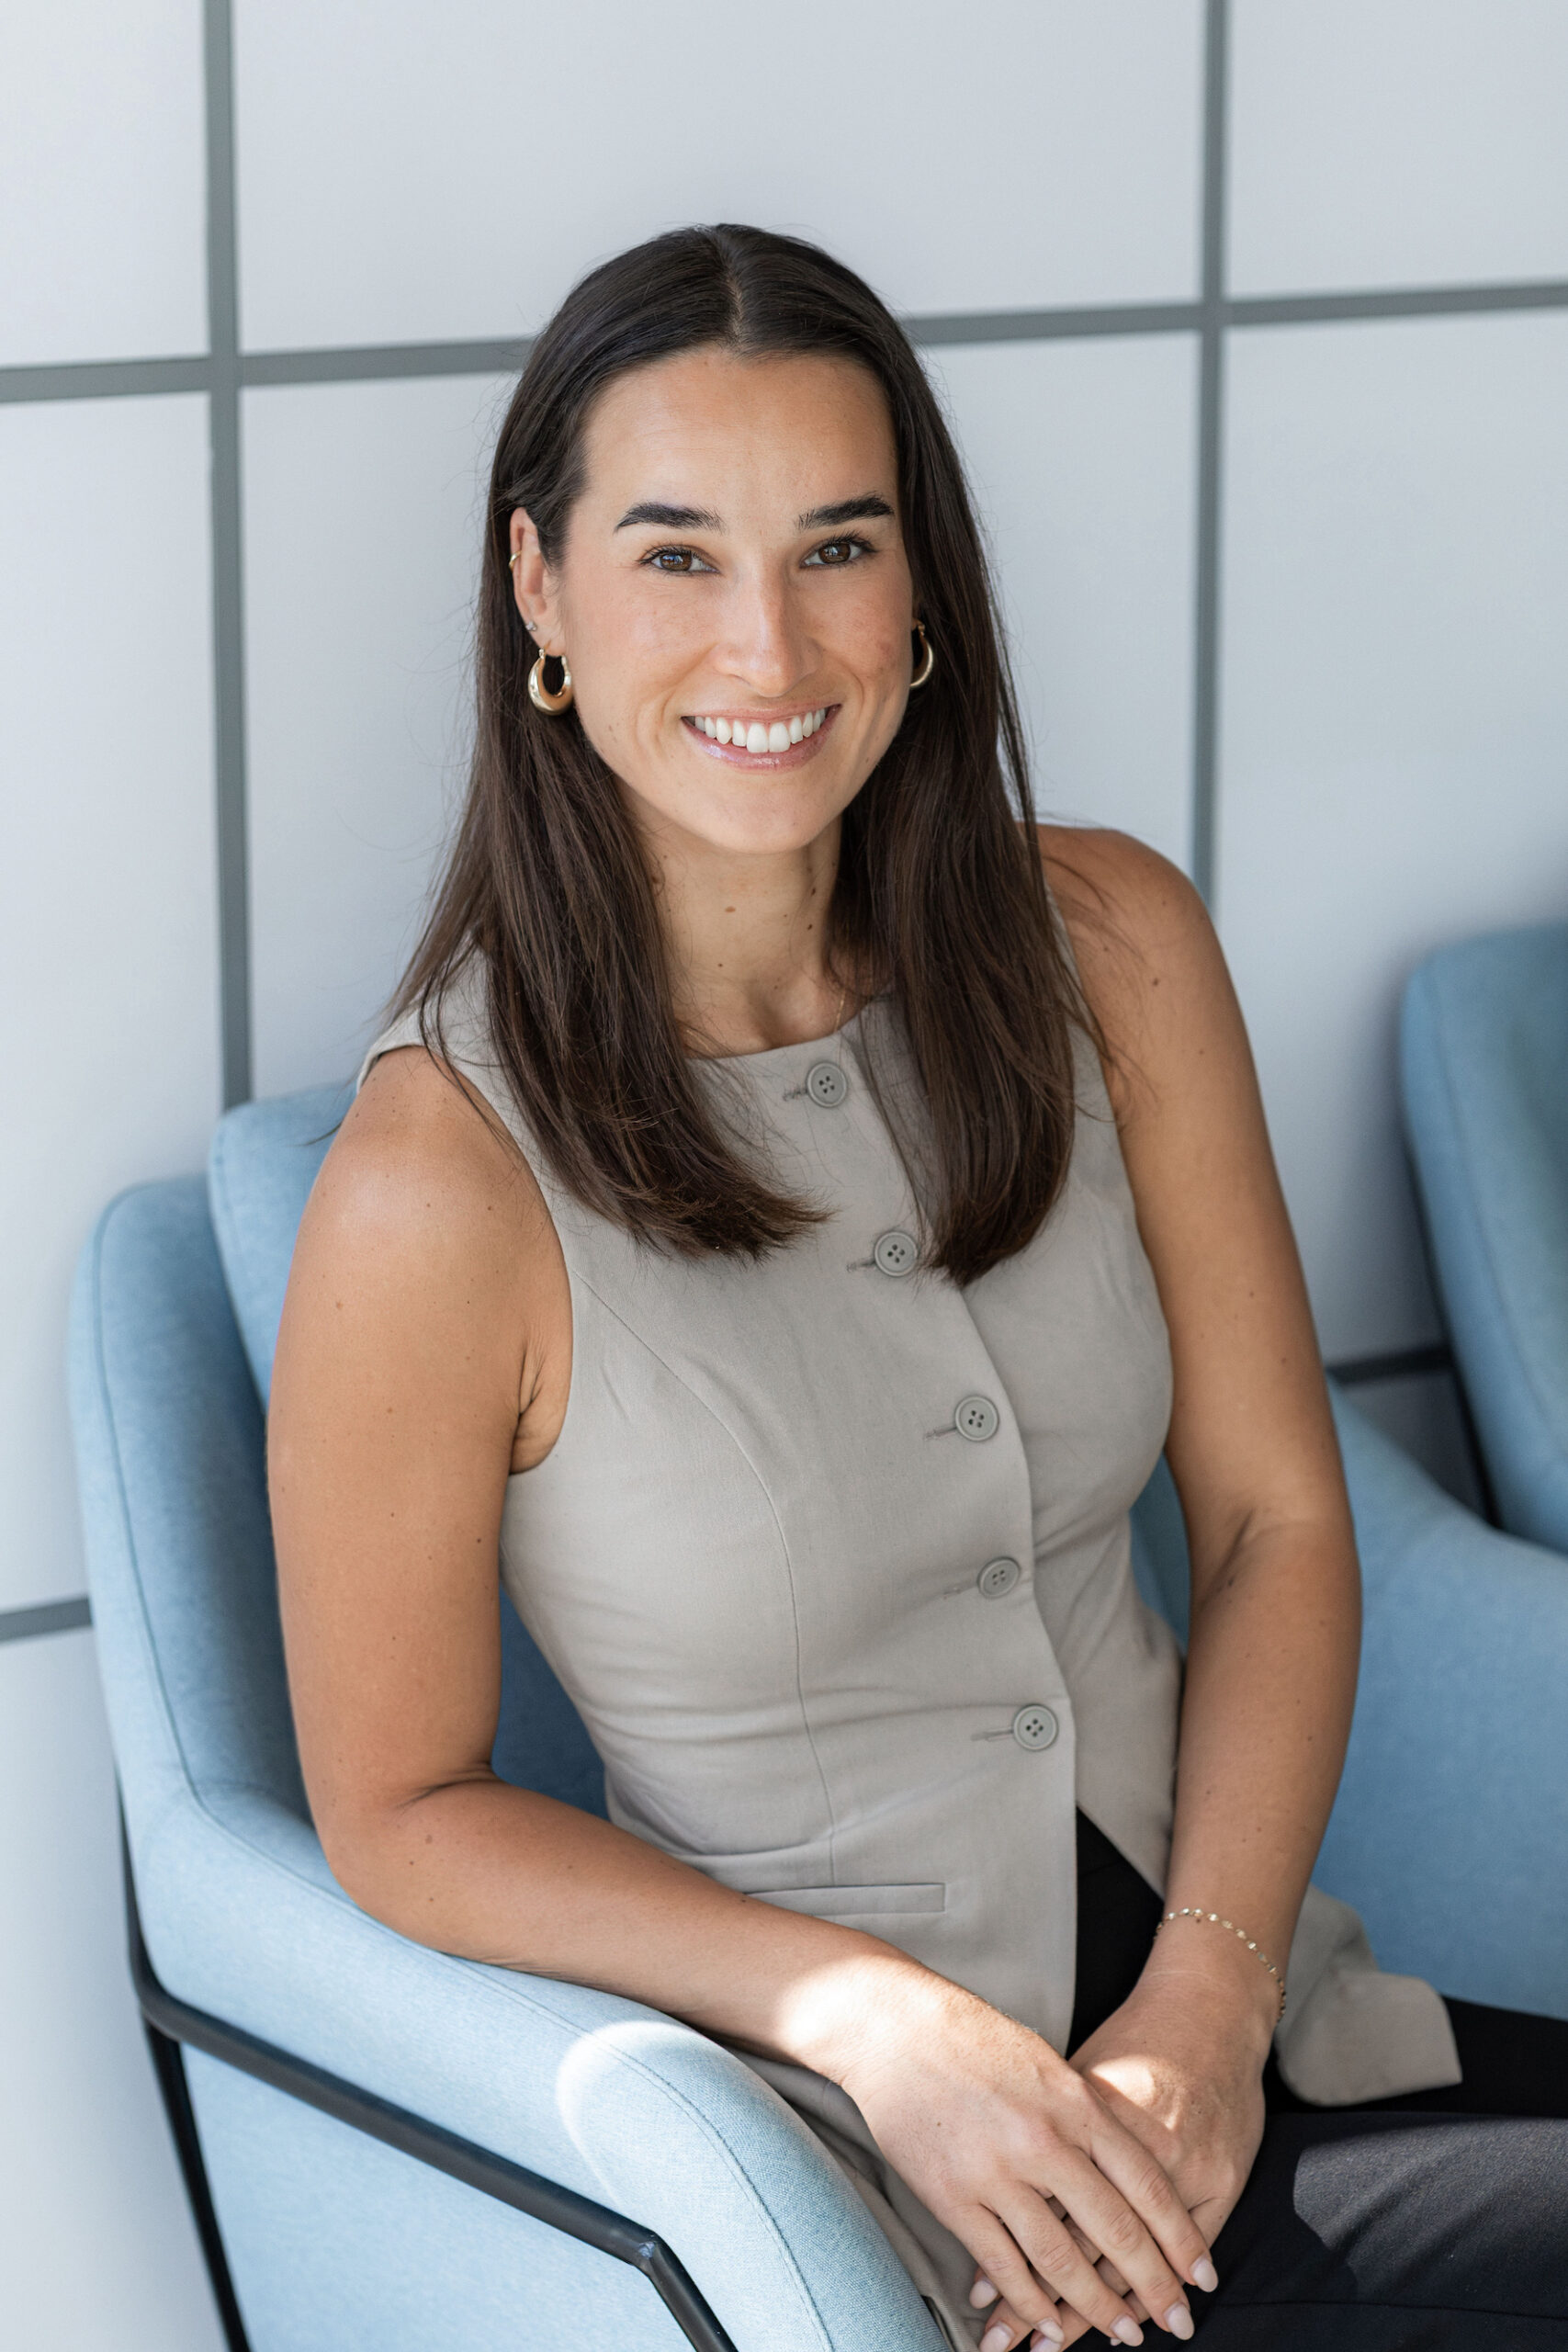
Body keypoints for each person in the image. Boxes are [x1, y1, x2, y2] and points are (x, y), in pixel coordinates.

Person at [267, 225, 1568, 2349]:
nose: (767, 641)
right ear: (539, 590)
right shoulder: (434, 1184)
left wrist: (1208, 2002)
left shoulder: (1111, 948)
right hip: (900, 2185)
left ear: (919, 587)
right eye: (675, 553)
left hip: (1253, 2038)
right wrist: (862, 2015)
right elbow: (399, 1807)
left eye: (836, 547)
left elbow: (1271, 1515)